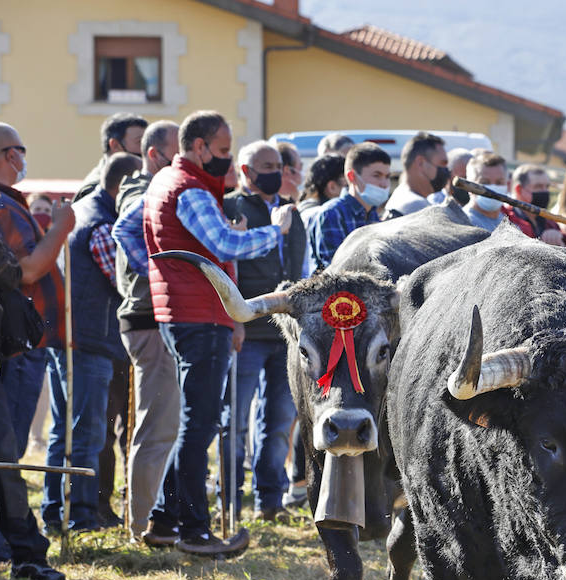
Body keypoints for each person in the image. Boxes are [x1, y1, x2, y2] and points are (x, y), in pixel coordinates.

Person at [142, 110, 295, 556]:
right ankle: (195, 531)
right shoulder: (187, 189)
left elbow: (209, 243)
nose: (227, 163)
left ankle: (165, 521)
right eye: (224, 152)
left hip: (192, 313)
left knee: (199, 422)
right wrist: (274, 231)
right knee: (200, 425)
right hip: (197, 314)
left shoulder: (175, 184)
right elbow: (225, 247)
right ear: (199, 146)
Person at [0, 121, 74, 563]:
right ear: (11, 155)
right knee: (3, 451)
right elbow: (23, 272)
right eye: (22, 151)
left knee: (0, 449)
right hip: (9, 343)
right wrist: (61, 228)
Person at [40, 151, 140, 533]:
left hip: (67, 336)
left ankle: (54, 510)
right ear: (124, 185)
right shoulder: (102, 224)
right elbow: (123, 282)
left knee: (62, 429)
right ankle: (79, 515)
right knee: (87, 430)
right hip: (89, 340)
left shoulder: (83, 209)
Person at [222, 140, 307, 521]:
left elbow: (301, 270)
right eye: (266, 165)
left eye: (279, 164)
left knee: (277, 425)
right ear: (246, 171)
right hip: (246, 332)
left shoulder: (294, 214)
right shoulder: (229, 207)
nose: (276, 170)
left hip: (285, 335)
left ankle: (269, 501)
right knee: (235, 421)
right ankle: (230, 502)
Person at [112, 119, 181, 540]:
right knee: (156, 428)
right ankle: (141, 526)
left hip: (155, 319)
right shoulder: (146, 192)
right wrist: (165, 271)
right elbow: (124, 232)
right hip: (150, 320)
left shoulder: (153, 189)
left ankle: (152, 518)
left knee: (162, 427)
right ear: (154, 154)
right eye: (177, 154)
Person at [309, 142, 390, 271]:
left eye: (387, 176)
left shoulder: (375, 216)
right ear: (352, 177)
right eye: (377, 175)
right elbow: (337, 269)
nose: (384, 184)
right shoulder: (332, 214)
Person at [74, 112, 147, 202]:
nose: (145, 149)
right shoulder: (93, 190)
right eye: (139, 142)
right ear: (115, 145)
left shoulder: (134, 176)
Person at [386, 132, 449, 218]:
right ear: (420, 163)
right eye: (442, 164)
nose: (446, 170)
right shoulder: (417, 206)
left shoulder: (400, 196)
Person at [504, 164, 565, 245]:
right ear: (519, 190)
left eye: (547, 187)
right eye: (538, 186)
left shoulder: (549, 220)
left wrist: (561, 240)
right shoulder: (507, 219)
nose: (545, 191)